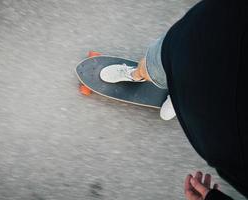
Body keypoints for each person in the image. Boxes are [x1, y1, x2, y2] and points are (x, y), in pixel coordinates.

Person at [100, 0, 248, 199]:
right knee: (159, 63)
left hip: (219, 122)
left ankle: (177, 97)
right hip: (211, 36)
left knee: (193, 107)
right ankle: (137, 73)